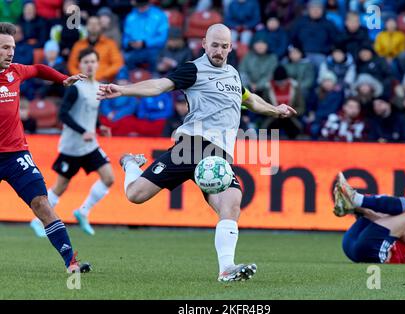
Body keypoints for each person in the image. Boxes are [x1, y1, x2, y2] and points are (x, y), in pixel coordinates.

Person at [97, 23, 297, 282]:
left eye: (224, 46)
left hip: (220, 156)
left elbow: (250, 100)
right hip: (191, 146)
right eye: (214, 45)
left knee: (230, 203)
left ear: (231, 47)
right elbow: (159, 85)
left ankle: (226, 269)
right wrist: (124, 89)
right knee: (135, 195)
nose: (219, 51)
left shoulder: (234, 75)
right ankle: (130, 163)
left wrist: (275, 109)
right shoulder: (193, 69)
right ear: (204, 43)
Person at [0, 22, 90, 272]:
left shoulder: (15, 72)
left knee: (42, 203)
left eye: (13, 47)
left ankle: (71, 262)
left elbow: (38, 68)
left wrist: (62, 79)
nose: (11, 52)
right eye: (5, 47)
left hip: (16, 155)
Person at [30, 48, 114, 238]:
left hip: (90, 145)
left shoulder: (99, 87)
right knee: (61, 186)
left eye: (93, 61)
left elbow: (91, 113)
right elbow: (63, 115)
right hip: (72, 147)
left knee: (109, 177)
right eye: (86, 62)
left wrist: (100, 126)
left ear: (98, 64)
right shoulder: (76, 87)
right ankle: (37, 220)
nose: (90, 65)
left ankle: (83, 212)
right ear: (80, 65)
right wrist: (83, 131)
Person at [333, 172, 405, 264]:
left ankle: (355, 200)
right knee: (386, 206)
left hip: (368, 249)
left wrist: (364, 211)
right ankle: (353, 204)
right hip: (356, 247)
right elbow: (388, 225)